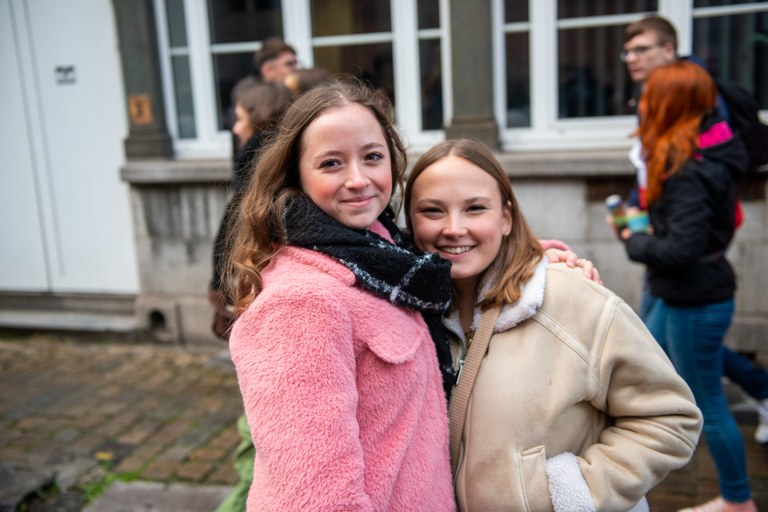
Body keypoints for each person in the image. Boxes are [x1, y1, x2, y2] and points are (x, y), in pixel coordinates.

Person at [405, 137, 703, 512]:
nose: (454, 228)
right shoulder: (409, 316)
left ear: (506, 217)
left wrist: (571, 494)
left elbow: (671, 417)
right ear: (410, 221)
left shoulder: (569, 297)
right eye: (432, 211)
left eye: (475, 208)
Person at [224, 77, 457, 510]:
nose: (358, 179)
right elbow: (316, 497)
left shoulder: (385, 255)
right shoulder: (300, 303)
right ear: (298, 176)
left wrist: (538, 260)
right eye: (331, 163)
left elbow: (467, 258)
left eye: (372, 157)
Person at [619, 14, 768, 444]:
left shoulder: (690, 151)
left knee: (689, 374)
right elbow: (653, 178)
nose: (631, 58)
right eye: (628, 51)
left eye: (641, 49)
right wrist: (639, 215)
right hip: (674, 258)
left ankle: (732, 480)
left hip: (687, 269)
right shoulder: (677, 151)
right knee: (660, 348)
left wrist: (640, 242)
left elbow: (692, 223)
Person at [622, 61, 756, 512]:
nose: (640, 103)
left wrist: (634, 241)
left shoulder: (688, 172)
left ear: (669, 104)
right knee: (643, 362)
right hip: (681, 292)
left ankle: (737, 500)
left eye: (648, 96)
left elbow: (681, 248)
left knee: (708, 404)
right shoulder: (698, 154)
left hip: (695, 298)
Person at [209, 81, 293, 512]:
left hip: (258, 305)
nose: (234, 126)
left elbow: (239, 235)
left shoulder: (264, 173)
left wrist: (227, 290)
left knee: (257, 435)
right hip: (251, 299)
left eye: (240, 116)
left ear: (257, 116)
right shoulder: (257, 163)